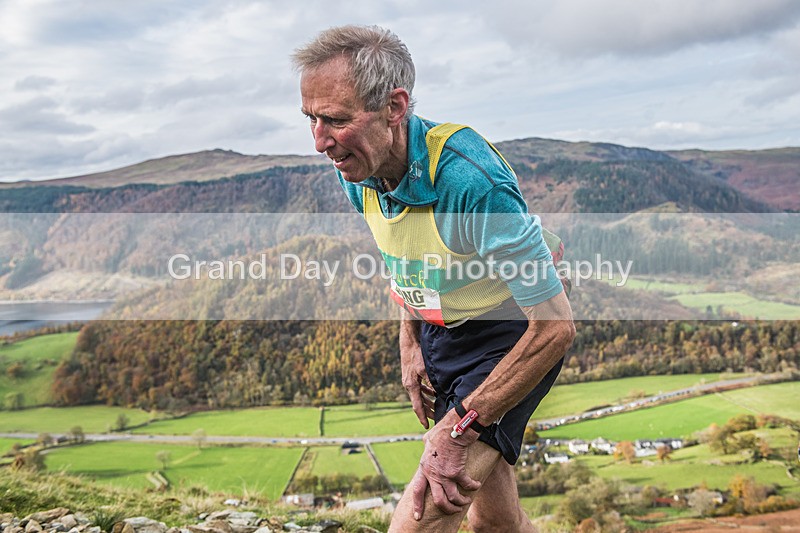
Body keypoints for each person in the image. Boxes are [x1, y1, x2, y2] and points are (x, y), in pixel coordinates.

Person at [292, 25, 575, 532]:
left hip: (512, 332)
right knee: (497, 522)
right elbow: (407, 255)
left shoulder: (472, 184)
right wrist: (410, 338)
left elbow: (554, 328)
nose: (319, 142)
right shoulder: (357, 166)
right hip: (447, 328)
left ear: (394, 107)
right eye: (311, 118)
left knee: (430, 506)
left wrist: (463, 425)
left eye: (335, 119)